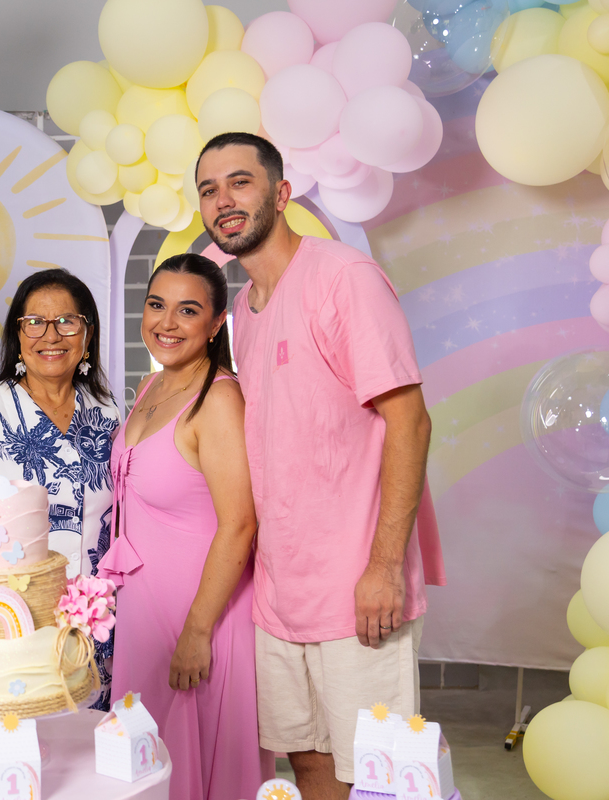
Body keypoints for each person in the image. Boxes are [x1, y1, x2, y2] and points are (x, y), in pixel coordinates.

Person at [195, 131, 440, 800]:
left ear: (281, 193)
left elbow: (410, 422)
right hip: (281, 592)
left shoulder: (343, 278)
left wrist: (384, 566)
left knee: (378, 778)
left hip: (358, 588)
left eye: (240, 182)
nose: (224, 200)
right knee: (306, 766)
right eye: (210, 190)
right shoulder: (243, 311)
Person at [98, 253, 272, 800]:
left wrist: (197, 632)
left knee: (198, 767)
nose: (166, 322)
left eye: (188, 310)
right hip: (145, 614)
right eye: (156, 305)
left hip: (201, 617)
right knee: (146, 767)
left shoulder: (218, 398)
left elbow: (240, 524)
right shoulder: (153, 385)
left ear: (217, 323)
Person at [0, 268, 119, 707]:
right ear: (18, 335)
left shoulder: (108, 411)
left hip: (96, 622)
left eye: (67, 321)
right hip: (11, 621)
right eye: (34, 322)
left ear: (87, 334)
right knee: (21, 734)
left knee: (90, 739)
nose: (51, 335)